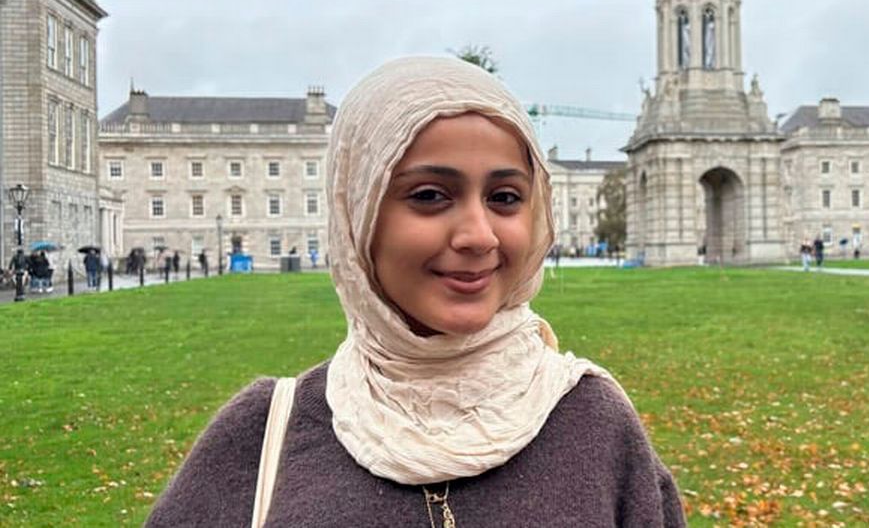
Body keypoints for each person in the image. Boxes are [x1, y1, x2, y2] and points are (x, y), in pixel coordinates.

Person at [146, 57, 685, 527]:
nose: (479, 236)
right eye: (430, 195)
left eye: (504, 197)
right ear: (358, 215)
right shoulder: (263, 434)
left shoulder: (598, 424)